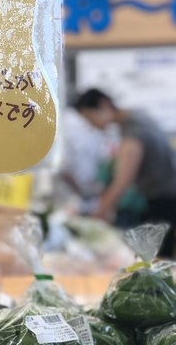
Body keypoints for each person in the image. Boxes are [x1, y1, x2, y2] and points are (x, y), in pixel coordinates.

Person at [75, 88, 176, 257]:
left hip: (165, 200)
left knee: (158, 261)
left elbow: (122, 180)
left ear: (103, 105)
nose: (90, 124)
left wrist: (99, 212)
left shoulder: (134, 130)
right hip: (164, 197)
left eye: (89, 117)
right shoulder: (136, 118)